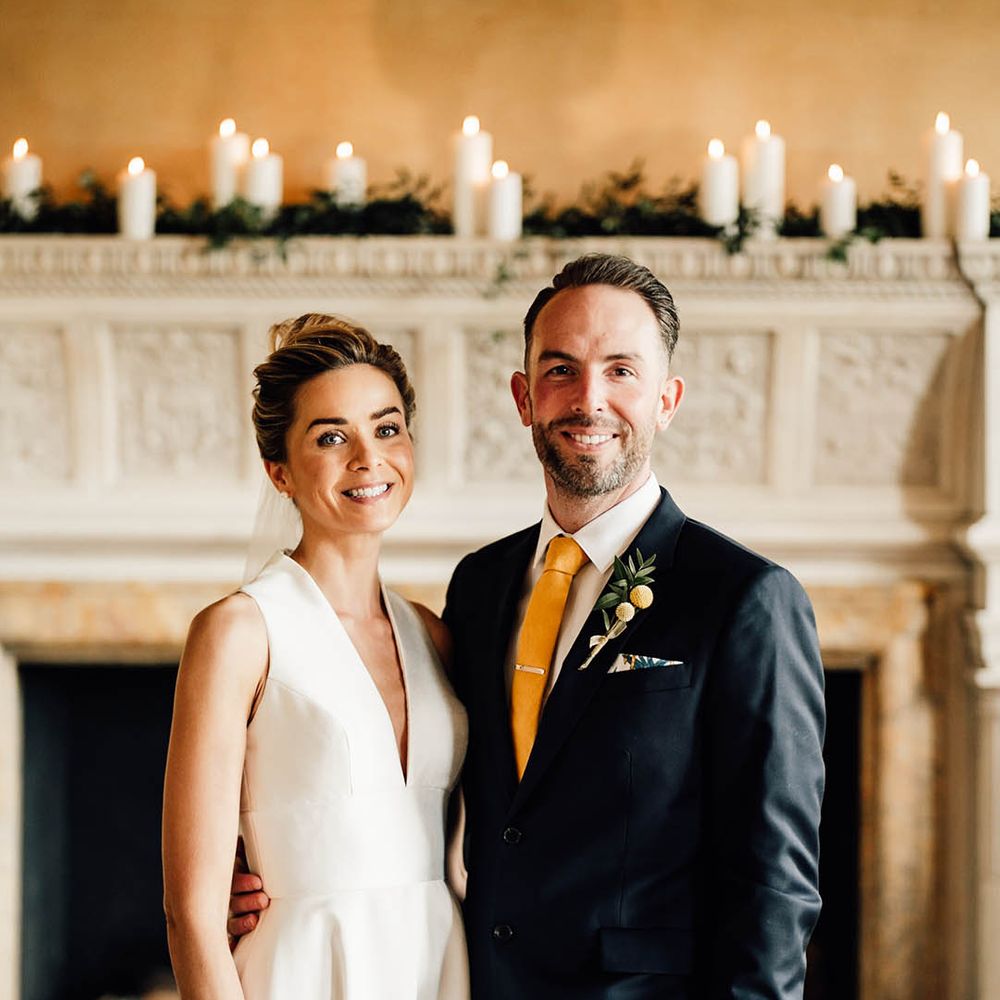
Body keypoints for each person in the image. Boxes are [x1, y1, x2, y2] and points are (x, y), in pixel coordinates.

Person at [230, 255, 826, 999]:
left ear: (667, 399)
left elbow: (776, 886)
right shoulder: (479, 587)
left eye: (621, 371)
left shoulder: (745, 599)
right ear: (523, 396)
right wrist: (254, 864)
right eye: (560, 370)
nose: (589, 399)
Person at [162, 315, 470, 1000]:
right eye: (332, 436)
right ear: (280, 471)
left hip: (436, 964)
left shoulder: (432, 635)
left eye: (387, 428)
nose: (369, 457)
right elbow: (191, 914)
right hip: (301, 969)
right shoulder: (239, 632)